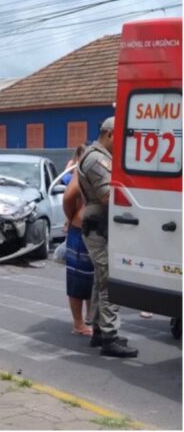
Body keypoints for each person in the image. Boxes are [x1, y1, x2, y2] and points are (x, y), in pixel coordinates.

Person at [78, 116, 138, 358]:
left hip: (100, 225)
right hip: (98, 226)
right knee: (109, 281)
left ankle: (98, 332)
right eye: (120, 137)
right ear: (110, 134)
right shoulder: (97, 159)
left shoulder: (100, 156)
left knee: (100, 281)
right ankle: (109, 339)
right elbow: (106, 196)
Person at [62, 171, 93, 336]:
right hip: (81, 229)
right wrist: (72, 216)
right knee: (78, 278)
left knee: (92, 276)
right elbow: (69, 196)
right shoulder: (85, 166)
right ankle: (78, 323)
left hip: (93, 230)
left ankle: (89, 317)